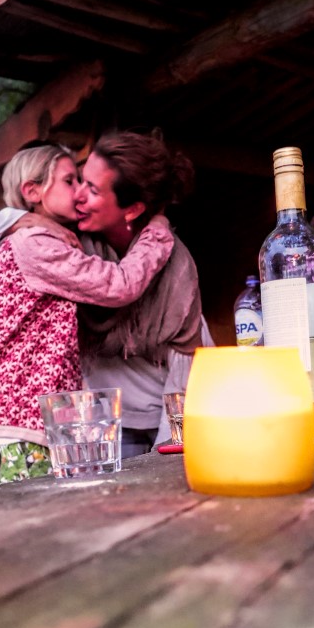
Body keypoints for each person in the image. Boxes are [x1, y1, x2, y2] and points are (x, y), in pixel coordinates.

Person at [0, 143, 174, 486]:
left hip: (19, 423)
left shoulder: (44, 239)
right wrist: (157, 233)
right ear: (33, 191)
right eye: (70, 181)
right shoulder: (35, 242)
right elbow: (120, 284)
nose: (80, 191)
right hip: (15, 423)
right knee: (26, 534)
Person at [73, 131, 206, 456]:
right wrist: (23, 221)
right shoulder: (71, 245)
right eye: (79, 180)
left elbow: (185, 370)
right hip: (100, 420)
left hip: (168, 412)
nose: (77, 195)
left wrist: (167, 447)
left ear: (131, 210)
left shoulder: (176, 267)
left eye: (92, 189)